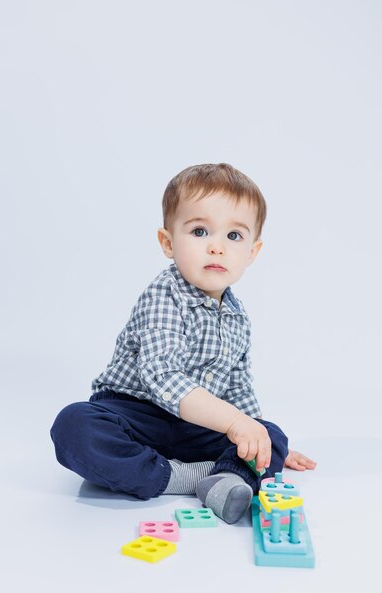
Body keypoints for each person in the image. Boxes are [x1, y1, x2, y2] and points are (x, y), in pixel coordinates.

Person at [50, 163, 316, 524]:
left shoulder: (237, 316)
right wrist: (236, 425)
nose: (217, 247)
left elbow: (238, 390)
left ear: (252, 252)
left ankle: (226, 478)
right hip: (137, 414)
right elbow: (163, 376)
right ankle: (185, 477)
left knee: (272, 433)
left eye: (234, 237)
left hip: (197, 428)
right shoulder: (164, 294)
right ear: (168, 242)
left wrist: (257, 440)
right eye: (200, 231)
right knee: (75, 425)